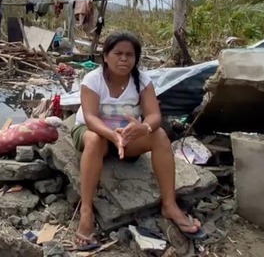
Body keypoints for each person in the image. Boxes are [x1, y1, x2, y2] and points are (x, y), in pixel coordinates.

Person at [71, 31, 205, 246]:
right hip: (94, 134)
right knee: (95, 139)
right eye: (118, 53)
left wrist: (143, 127)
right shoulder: (93, 79)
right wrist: (111, 135)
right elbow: (90, 117)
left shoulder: (142, 80)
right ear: (105, 56)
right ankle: (86, 211)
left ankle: (169, 205)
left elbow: (154, 115)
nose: (124, 59)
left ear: (135, 58)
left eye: (130, 55)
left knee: (160, 134)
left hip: (128, 136)